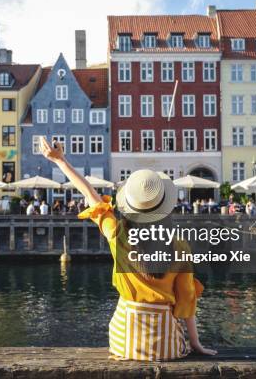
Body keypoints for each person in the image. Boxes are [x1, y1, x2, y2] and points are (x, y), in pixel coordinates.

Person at [40, 136, 215, 361]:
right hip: (165, 346)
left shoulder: (119, 235)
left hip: (124, 341)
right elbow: (186, 300)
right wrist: (195, 343)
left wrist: (61, 160)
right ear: (164, 208)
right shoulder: (179, 246)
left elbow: (90, 196)